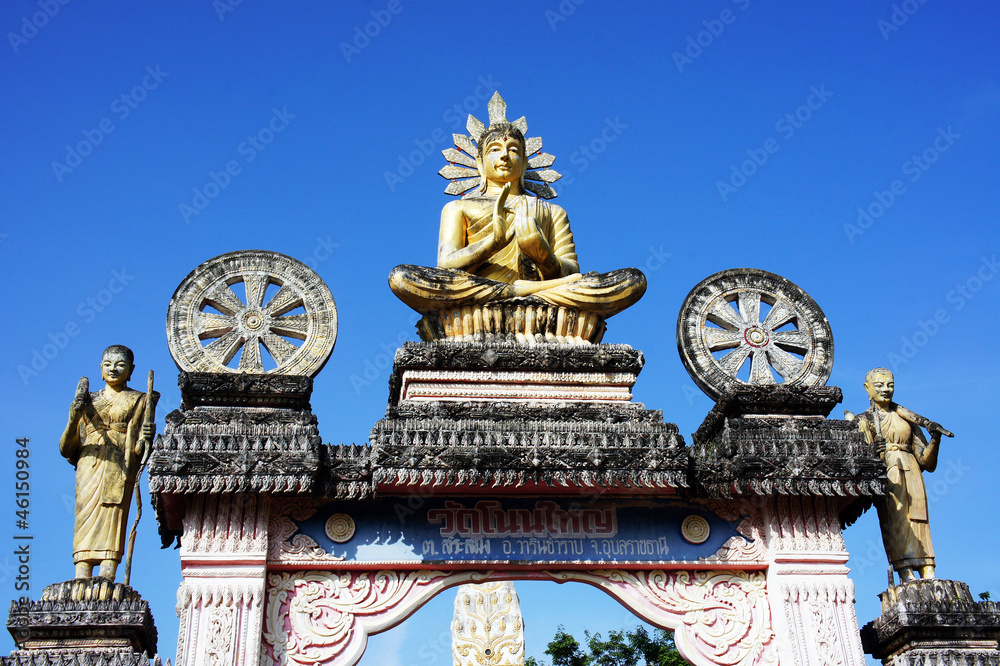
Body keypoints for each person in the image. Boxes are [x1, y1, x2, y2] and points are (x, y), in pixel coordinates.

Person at [389, 105, 645, 319]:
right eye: (495, 150)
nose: (504, 157)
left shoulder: (551, 211)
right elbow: (446, 266)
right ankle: (517, 292)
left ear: (524, 163)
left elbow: (572, 271)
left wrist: (541, 252)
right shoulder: (459, 207)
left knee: (632, 280)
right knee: (404, 278)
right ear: (479, 163)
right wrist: (492, 243)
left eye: (513, 150)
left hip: (536, 294)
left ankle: (523, 292)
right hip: (482, 290)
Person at [59, 345, 157, 581]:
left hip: (119, 463)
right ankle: (81, 570)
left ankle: (107, 570)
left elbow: (138, 450)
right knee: (84, 512)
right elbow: (66, 448)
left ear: (131, 370)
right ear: (100, 369)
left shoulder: (140, 400)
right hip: (89, 461)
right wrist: (74, 417)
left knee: (114, 510)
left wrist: (146, 438)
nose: (113, 369)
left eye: (120, 364)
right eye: (108, 364)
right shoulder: (87, 401)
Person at [851, 368, 953, 583]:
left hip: (912, 470)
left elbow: (927, 462)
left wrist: (935, 439)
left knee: (919, 518)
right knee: (896, 519)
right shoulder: (864, 420)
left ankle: (927, 566)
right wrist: (874, 451)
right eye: (879, 385)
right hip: (888, 472)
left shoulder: (907, 419)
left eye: (890, 385)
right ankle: (904, 570)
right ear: (867, 388)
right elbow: (860, 463)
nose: (885, 390)